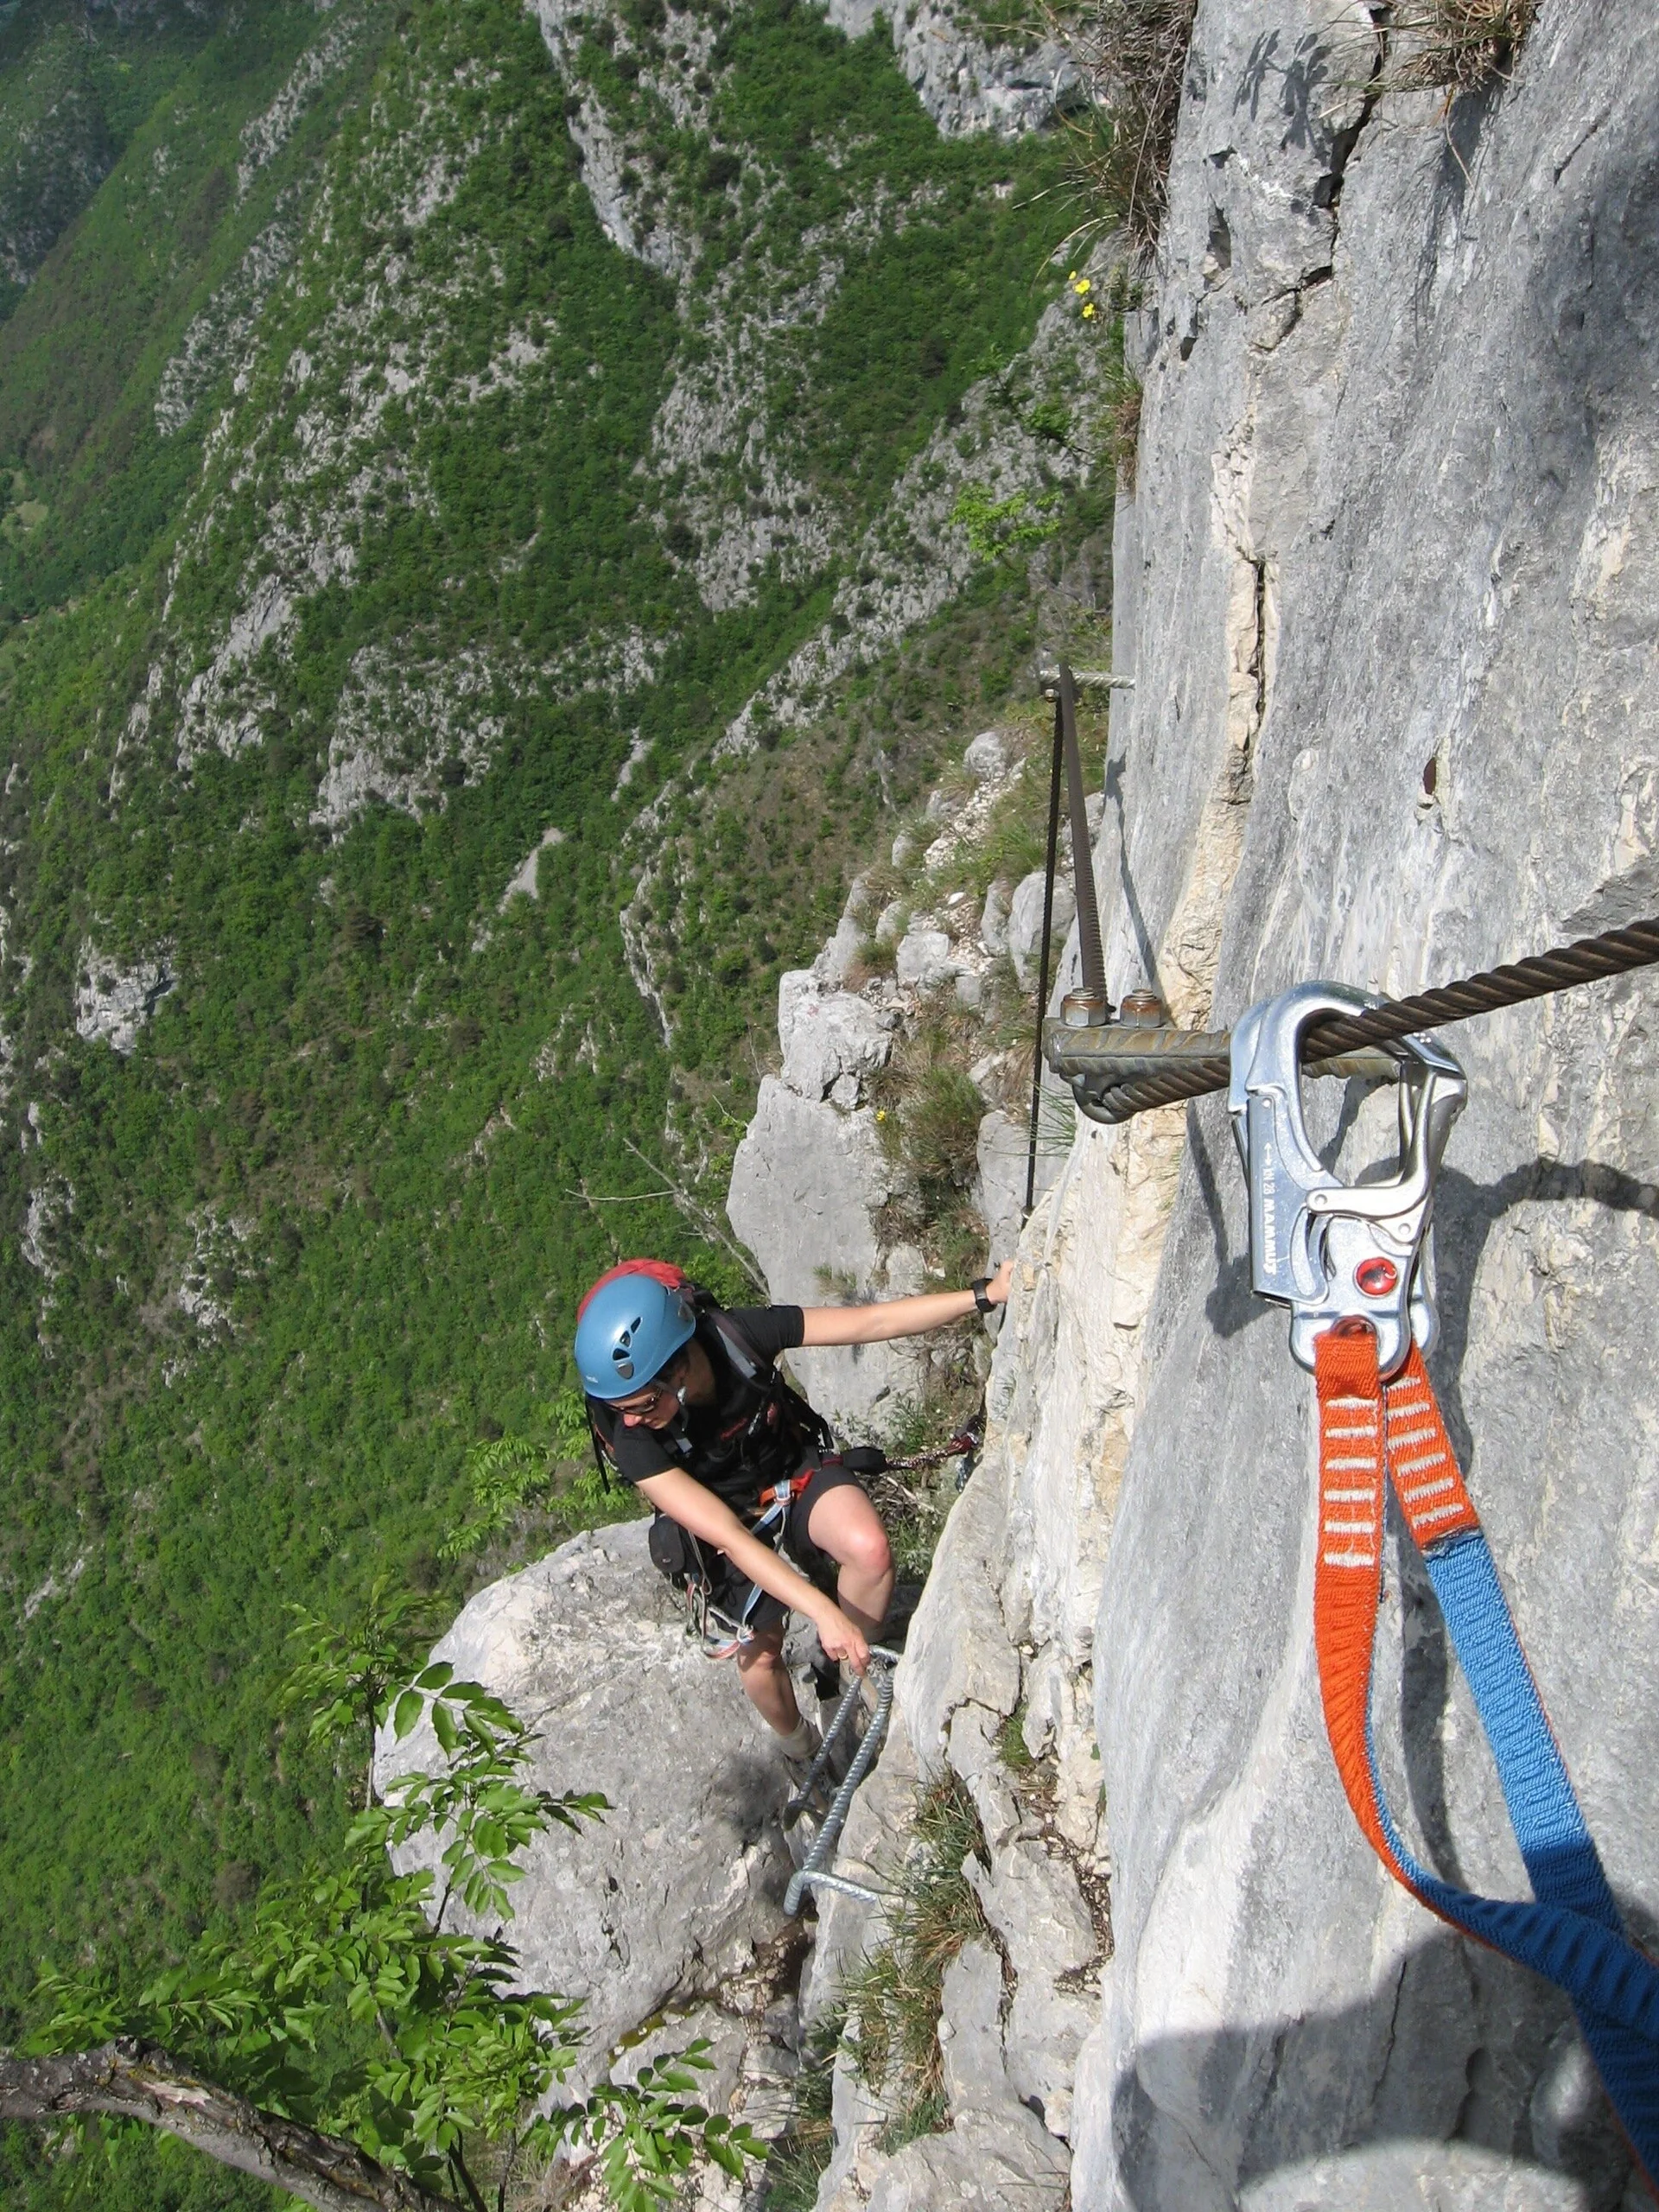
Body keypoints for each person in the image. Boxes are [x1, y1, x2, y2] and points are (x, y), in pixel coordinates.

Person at [574, 1259, 1014, 1783]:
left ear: (680, 1367)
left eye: (642, 1403)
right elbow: (730, 1537)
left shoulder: (738, 1336)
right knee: (759, 1656)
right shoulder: (635, 1441)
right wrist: (819, 1611)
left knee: (870, 1552)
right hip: (721, 1519)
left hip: (784, 1466)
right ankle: (803, 1750)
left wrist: (985, 1294)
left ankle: (849, 1670)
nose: (629, 1419)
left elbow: (870, 1323)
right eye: (619, 1407)